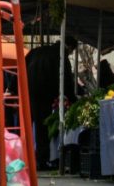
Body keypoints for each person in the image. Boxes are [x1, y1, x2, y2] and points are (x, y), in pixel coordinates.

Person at [25, 37, 78, 168]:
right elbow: (67, 80)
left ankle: (25, 157)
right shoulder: (61, 56)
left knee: (27, 126)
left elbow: (20, 67)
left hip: (29, 93)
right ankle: (42, 161)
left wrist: (12, 88)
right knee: (42, 128)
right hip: (45, 94)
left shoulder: (36, 51)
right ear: (69, 47)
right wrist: (73, 99)